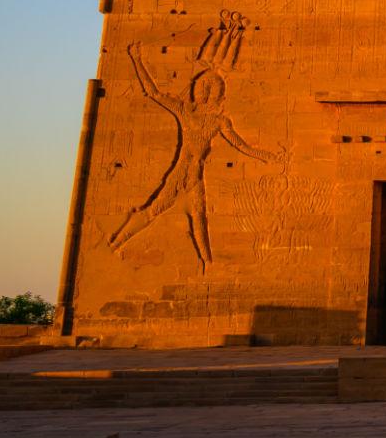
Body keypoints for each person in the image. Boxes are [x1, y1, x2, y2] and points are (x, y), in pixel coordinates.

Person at [108, 44, 279, 271]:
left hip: (194, 176)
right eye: (204, 87)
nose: (207, 92)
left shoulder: (218, 121)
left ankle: (207, 264)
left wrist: (264, 155)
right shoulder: (185, 111)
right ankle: (118, 241)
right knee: (155, 212)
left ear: (219, 93)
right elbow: (154, 93)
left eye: (212, 88)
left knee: (199, 219)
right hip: (180, 174)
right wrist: (137, 60)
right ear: (197, 89)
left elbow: (240, 145)